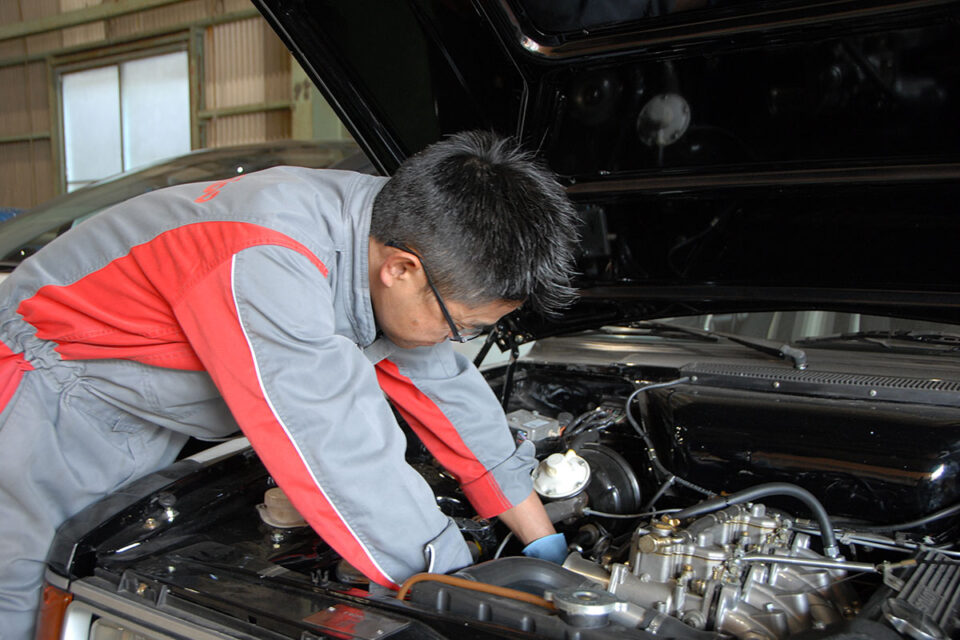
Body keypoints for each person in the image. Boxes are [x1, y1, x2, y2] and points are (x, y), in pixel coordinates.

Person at [0, 130, 579, 638]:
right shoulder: (269, 254)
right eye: (464, 327)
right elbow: (335, 445)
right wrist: (458, 588)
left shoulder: (405, 237)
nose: (457, 341)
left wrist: (541, 542)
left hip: (144, 411)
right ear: (401, 270)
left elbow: (446, 387)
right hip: (53, 397)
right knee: (21, 596)